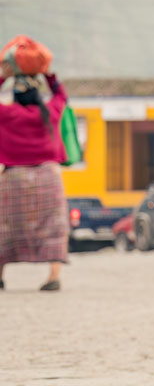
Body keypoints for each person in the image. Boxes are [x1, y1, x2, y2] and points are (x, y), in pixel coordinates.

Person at [0, 35, 69, 292]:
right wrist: (49, 76)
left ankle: (0, 274)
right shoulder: (50, 112)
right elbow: (61, 96)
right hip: (47, 176)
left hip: (13, 178)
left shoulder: (6, 114)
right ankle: (53, 276)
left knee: (5, 226)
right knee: (53, 226)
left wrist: (4, 77)